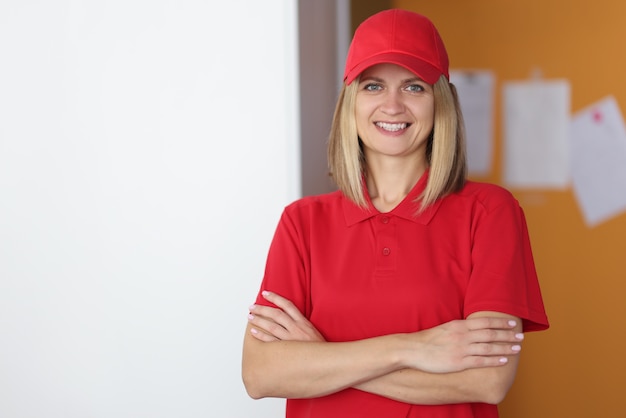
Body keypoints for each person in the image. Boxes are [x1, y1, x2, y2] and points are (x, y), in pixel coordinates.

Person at [242, 8, 549, 418]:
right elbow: (261, 373)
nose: (392, 105)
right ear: (350, 103)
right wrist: (415, 348)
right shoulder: (302, 223)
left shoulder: (491, 212)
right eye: (373, 86)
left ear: (441, 103)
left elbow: (487, 382)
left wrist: (321, 359)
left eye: (414, 87)